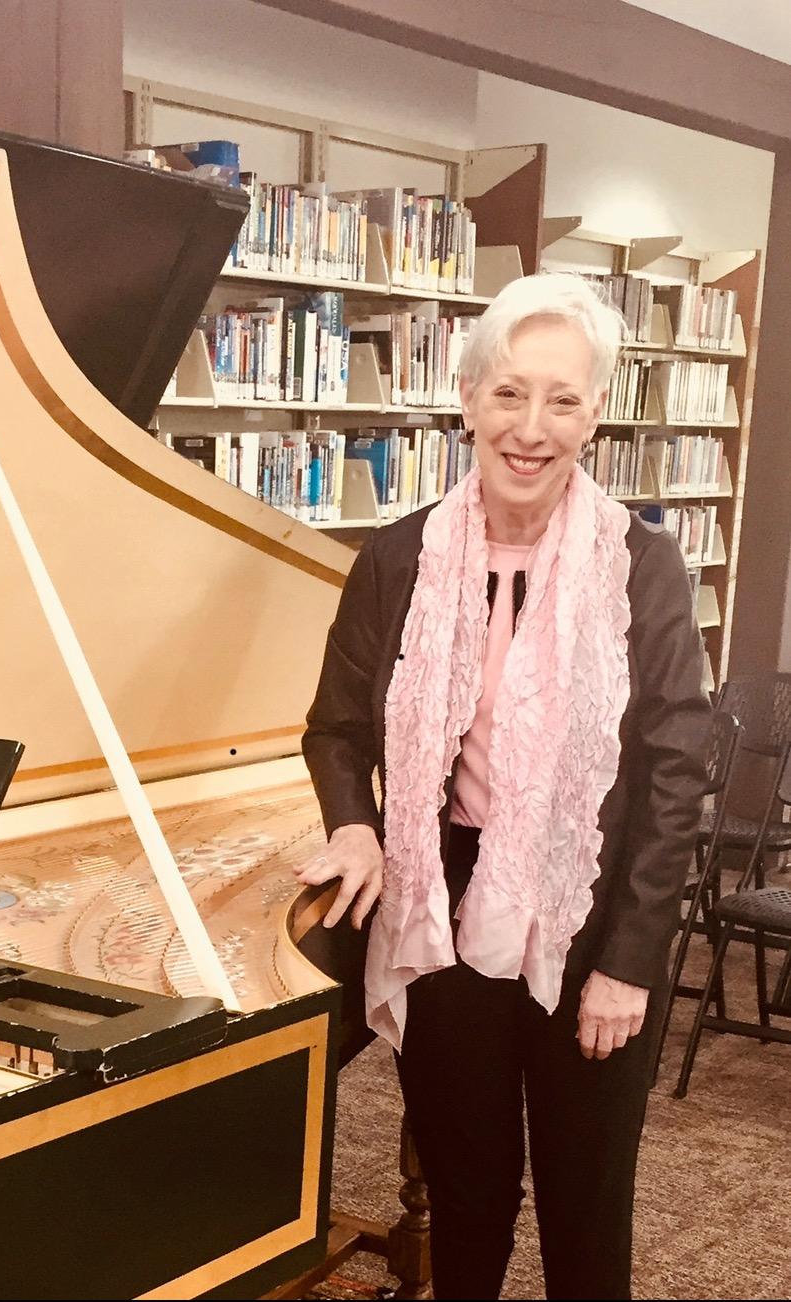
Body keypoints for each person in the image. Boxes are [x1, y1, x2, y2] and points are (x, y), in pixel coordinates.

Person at [297, 272, 711, 1301]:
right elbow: (337, 729)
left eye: (562, 400)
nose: (532, 427)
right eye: (510, 394)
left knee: (584, 1210)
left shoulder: (642, 568)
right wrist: (355, 828)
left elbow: (674, 774)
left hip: (595, 908)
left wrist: (627, 962)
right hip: (442, 909)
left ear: (596, 414)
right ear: (470, 399)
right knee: (469, 1194)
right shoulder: (398, 560)